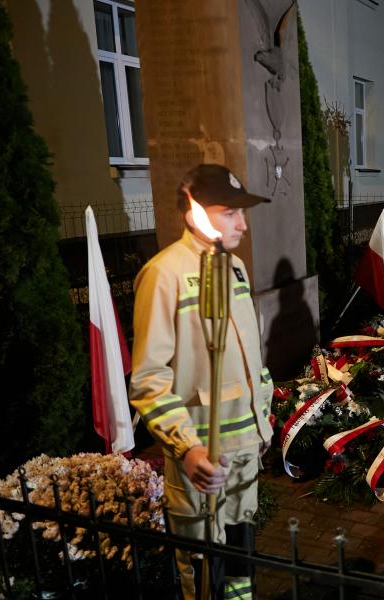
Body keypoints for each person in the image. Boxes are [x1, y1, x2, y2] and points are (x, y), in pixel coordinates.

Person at [130, 164, 275, 598]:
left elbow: (250, 357)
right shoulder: (164, 274)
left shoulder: (235, 268)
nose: (242, 224)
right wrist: (187, 448)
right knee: (203, 568)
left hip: (245, 449)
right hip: (203, 460)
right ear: (195, 213)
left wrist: (262, 422)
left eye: (242, 212)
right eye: (230, 213)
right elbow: (149, 379)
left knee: (241, 560)